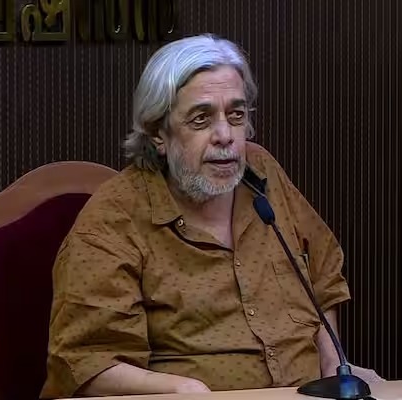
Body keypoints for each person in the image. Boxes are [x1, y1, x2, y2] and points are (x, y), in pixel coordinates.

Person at [40, 34, 382, 399]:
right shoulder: (113, 219)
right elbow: (85, 364)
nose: (225, 136)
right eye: (201, 119)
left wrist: (334, 367)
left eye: (236, 115)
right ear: (158, 133)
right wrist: (185, 390)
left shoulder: (262, 173)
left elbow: (323, 276)